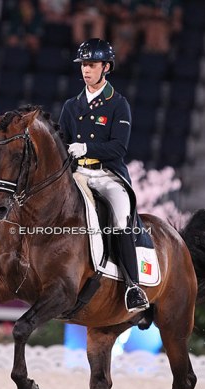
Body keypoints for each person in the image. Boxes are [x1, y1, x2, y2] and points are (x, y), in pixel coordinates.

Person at [59, 38, 149, 313]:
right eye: (83, 65)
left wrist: (87, 147)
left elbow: (119, 147)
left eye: (92, 65)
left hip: (106, 174)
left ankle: (134, 287)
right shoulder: (71, 106)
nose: (86, 70)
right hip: (77, 175)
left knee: (121, 216)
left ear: (105, 67)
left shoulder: (118, 105)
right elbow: (62, 142)